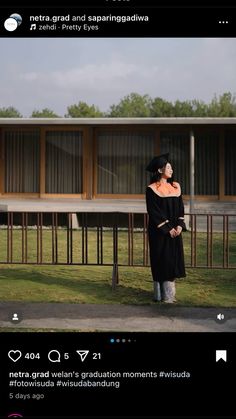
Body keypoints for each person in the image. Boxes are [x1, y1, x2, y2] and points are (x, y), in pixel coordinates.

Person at [145, 153, 186, 303]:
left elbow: (181, 208)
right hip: (159, 232)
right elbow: (154, 212)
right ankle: (159, 294)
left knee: (172, 260)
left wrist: (179, 226)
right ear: (160, 170)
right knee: (161, 259)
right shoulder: (151, 189)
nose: (171, 170)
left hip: (175, 231)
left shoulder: (175, 187)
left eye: (171, 167)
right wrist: (168, 228)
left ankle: (169, 296)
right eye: (168, 167)